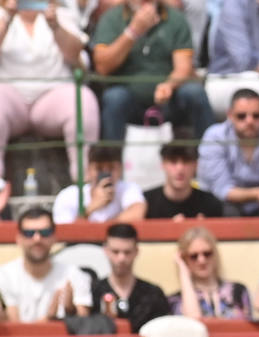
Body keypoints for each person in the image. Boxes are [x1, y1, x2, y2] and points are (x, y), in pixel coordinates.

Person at [0, 0, 99, 183]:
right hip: (10, 96)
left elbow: (75, 53)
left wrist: (54, 25)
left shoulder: (61, 14)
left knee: (84, 101)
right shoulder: (2, 15)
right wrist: (6, 17)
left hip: (52, 96)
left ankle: (84, 183)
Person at [91, 0, 214, 143]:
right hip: (129, 99)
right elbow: (102, 67)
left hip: (169, 99)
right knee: (114, 98)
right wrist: (133, 32)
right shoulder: (111, 19)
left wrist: (169, 85)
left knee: (195, 93)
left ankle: (210, 153)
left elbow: (184, 67)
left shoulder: (176, 19)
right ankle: (111, 161)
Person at [198, 88, 259, 216]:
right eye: (241, 116)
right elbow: (222, 190)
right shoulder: (215, 136)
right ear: (230, 115)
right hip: (223, 205)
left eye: (256, 116)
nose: (250, 121)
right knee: (228, 209)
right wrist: (258, 194)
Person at [0, 206, 92, 323]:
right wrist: (48, 319)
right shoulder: (4, 275)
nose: (37, 238)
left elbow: (84, 321)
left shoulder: (74, 274)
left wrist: (71, 311)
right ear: (19, 239)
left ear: (54, 237)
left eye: (45, 232)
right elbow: (14, 327)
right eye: (29, 233)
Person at [90, 223, 170, 333]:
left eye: (127, 252)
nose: (121, 258)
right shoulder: (93, 291)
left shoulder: (153, 294)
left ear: (136, 251)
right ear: (106, 251)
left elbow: (164, 332)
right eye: (115, 251)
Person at [169, 225, 255, 319]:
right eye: (194, 256)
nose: (201, 260)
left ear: (215, 254)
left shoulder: (238, 291)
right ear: (185, 259)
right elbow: (193, 322)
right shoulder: (175, 300)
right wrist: (183, 273)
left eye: (207, 254)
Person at [52, 143, 147, 224]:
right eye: (99, 168)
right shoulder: (69, 195)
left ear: (120, 169)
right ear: (88, 170)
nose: (106, 174)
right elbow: (65, 231)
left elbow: (137, 213)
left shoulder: (129, 188)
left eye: (111, 168)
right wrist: (91, 208)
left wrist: (104, 227)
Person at [144, 142, 224, 219]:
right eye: (173, 161)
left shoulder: (211, 203)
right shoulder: (145, 203)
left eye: (186, 161)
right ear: (163, 164)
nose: (180, 169)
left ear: (196, 165)